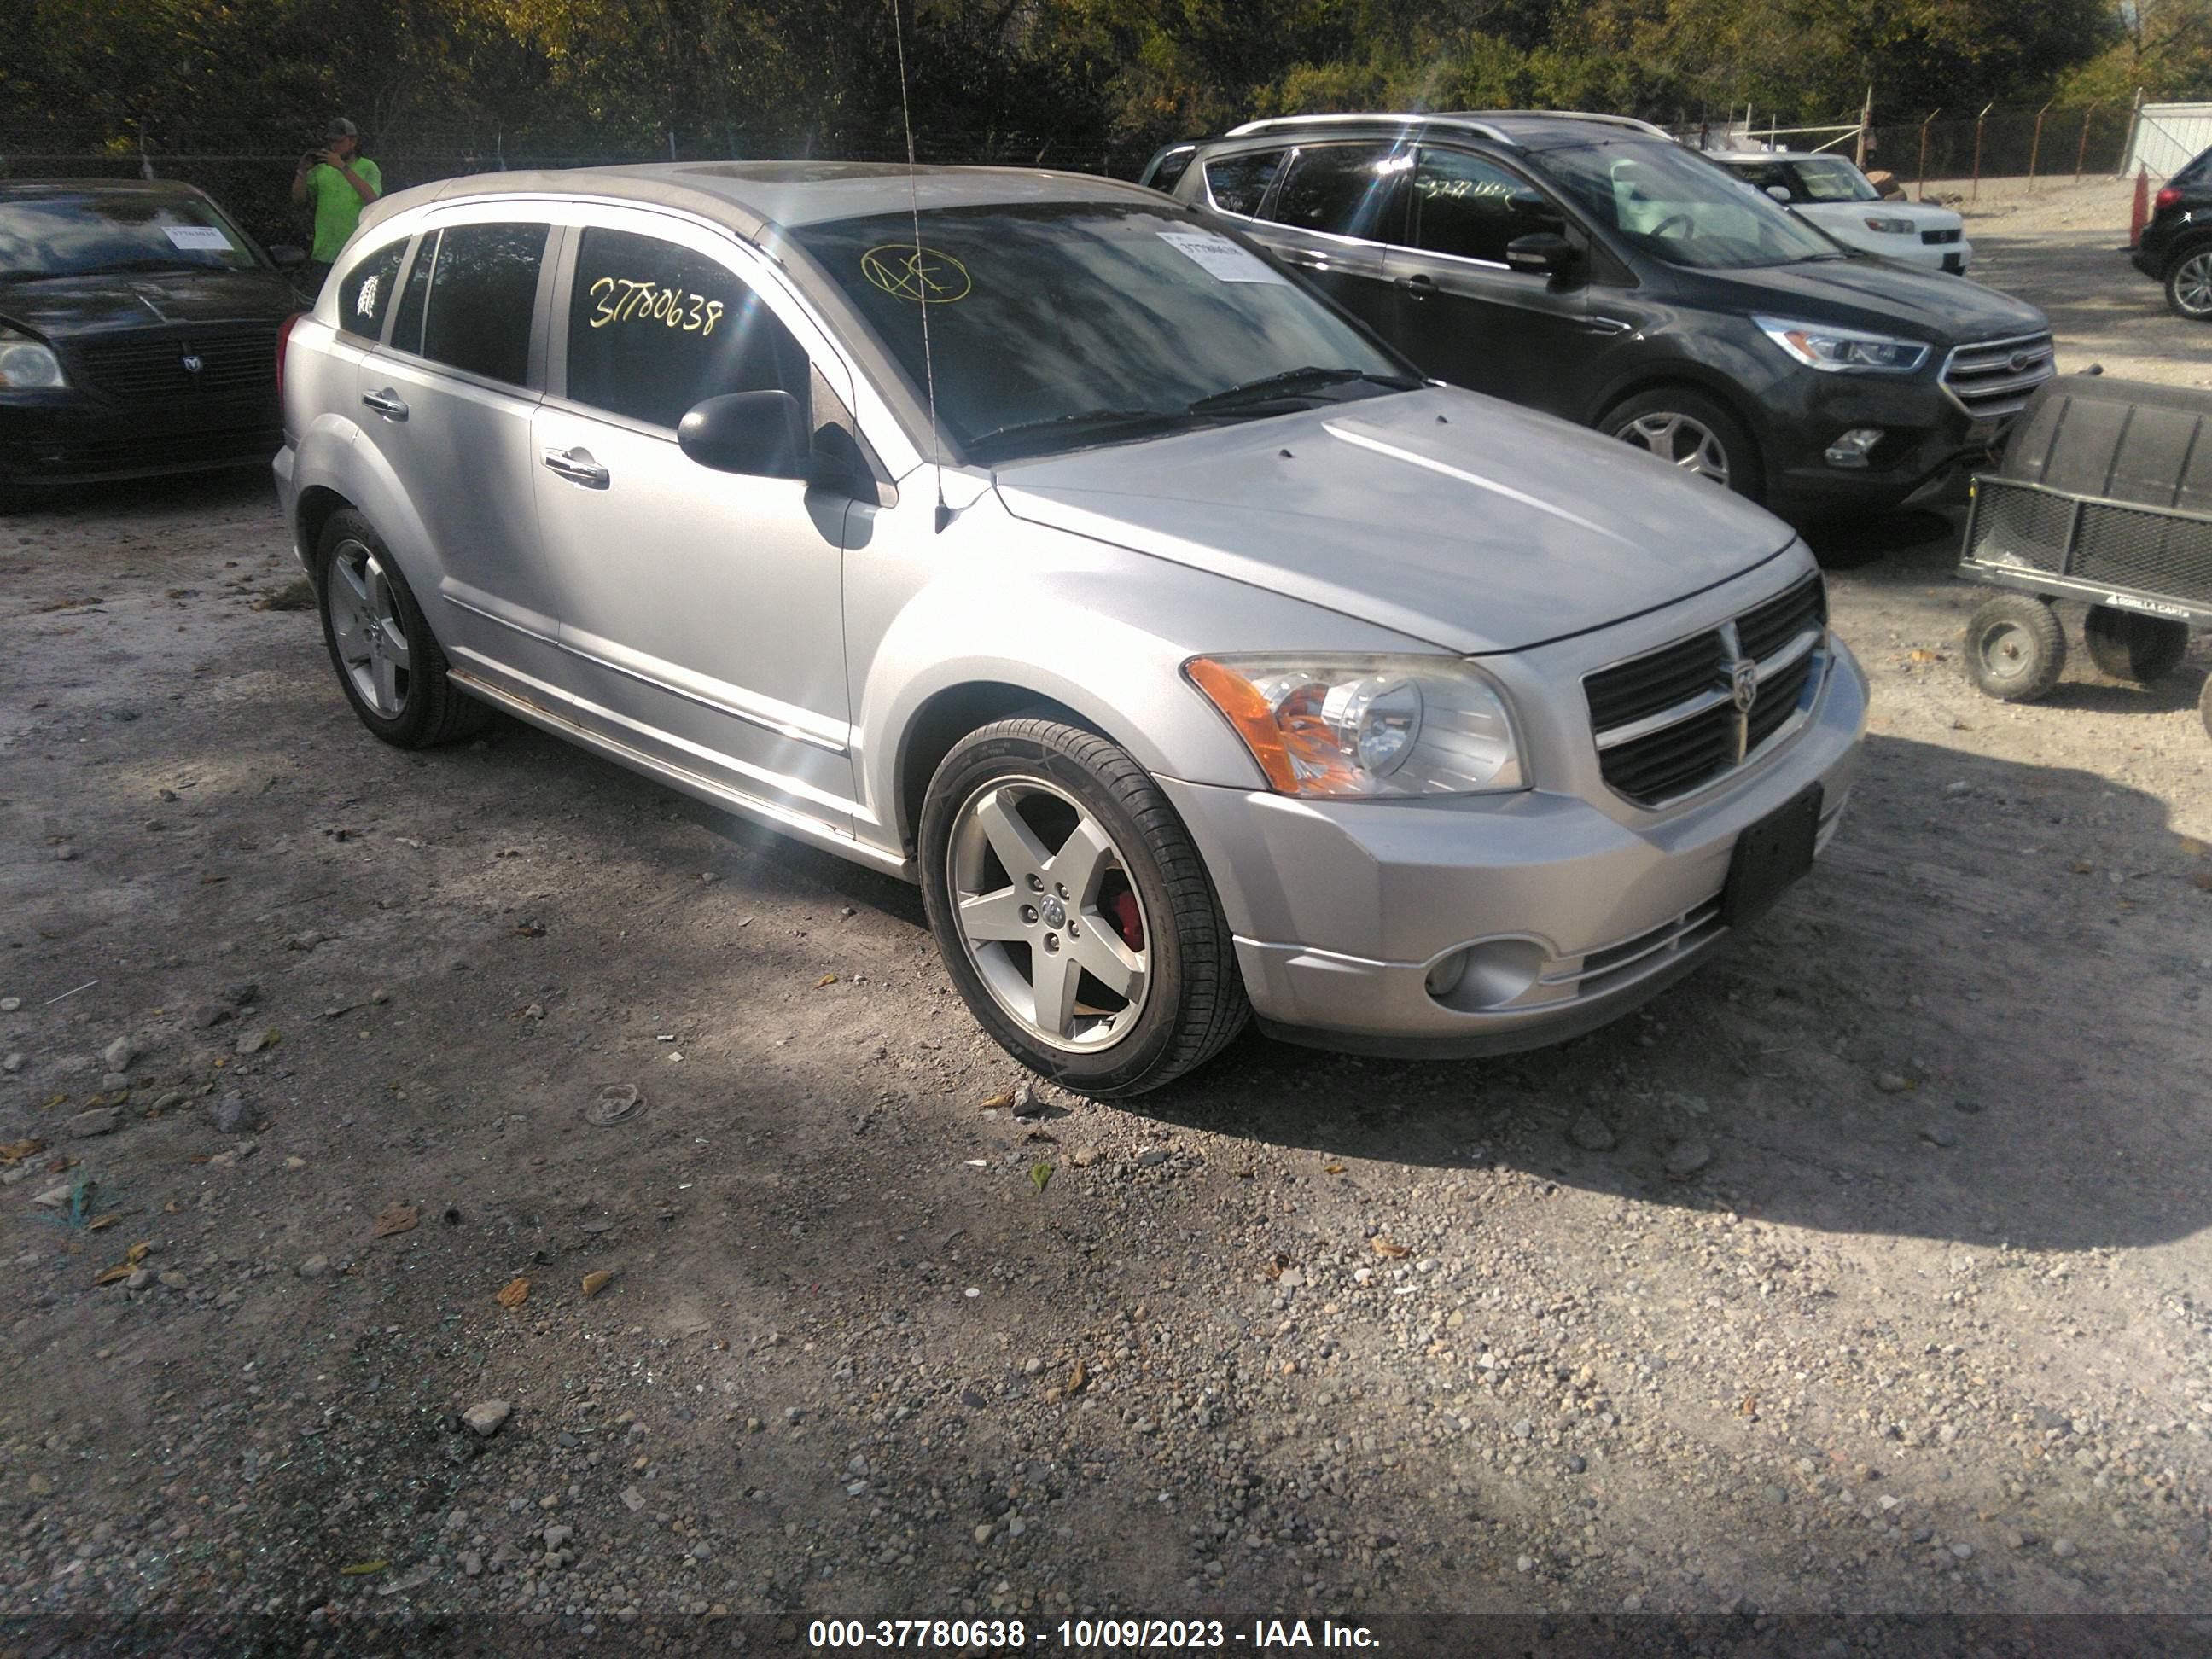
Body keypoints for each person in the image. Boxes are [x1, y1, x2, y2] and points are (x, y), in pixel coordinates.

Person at [292, 118, 381, 294]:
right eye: (332, 142)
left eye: (339, 142)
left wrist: (342, 167)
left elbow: (372, 198)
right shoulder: (322, 170)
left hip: (356, 252)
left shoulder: (368, 167)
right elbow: (299, 200)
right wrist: (302, 172)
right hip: (324, 253)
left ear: (353, 141)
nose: (334, 147)